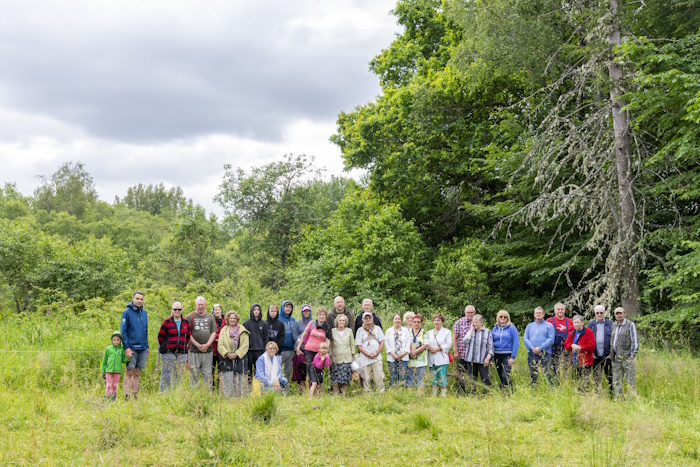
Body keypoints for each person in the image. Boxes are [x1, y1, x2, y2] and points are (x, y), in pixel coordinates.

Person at [296, 307, 332, 398]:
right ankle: (310, 391)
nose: (321, 316)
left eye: (323, 315)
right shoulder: (312, 323)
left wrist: (326, 351)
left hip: (320, 352)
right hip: (309, 349)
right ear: (317, 315)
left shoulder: (327, 327)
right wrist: (298, 347)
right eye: (319, 315)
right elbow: (304, 335)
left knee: (319, 369)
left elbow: (328, 341)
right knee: (310, 369)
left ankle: (318, 392)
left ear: (325, 316)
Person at [120, 291, 149, 401]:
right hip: (131, 347)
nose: (139, 301)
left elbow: (145, 331)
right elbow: (123, 331)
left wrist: (147, 346)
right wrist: (126, 347)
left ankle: (135, 395)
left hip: (142, 348)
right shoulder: (126, 312)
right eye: (137, 298)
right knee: (129, 371)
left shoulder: (144, 313)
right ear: (133, 298)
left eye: (141, 299)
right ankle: (127, 395)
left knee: (137, 372)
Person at [157, 302, 191, 392]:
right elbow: (160, 337)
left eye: (179, 309)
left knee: (179, 373)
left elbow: (188, 336)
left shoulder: (186, 322)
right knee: (166, 373)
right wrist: (166, 346)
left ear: (182, 310)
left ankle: (176, 393)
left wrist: (183, 344)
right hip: (168, 351)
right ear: (172, 310)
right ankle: (164, 393)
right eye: (175, 309)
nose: (177, 311)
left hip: (182, 352)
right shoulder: (167, 322)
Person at [186, 296, 217, 389]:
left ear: (205, 305)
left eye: (202, 305)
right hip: (194, 350)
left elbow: (214, 332)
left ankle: (207, 395)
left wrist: (207, 345)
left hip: (208, 351)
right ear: (195, 305)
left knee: (207, 374)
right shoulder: (189, 316)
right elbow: (188, 334)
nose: (200, 306)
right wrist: (197, 345)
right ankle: (193, 394)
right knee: (193, 374)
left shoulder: (210, 316)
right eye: (199, 305)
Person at [218, 311, 249, 398]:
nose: (232, 320)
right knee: (227, 378)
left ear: (237, 319)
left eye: (234, 318)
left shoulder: (242, 329)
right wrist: (227, 354)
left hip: (239, 358)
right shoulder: (224, 330)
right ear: (227, 319)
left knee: (239, 379)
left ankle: (239, 398)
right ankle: (227, 397)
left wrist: (236, 354)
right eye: (231, 318)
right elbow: (220, 344)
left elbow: (245, 344)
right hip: (226, 358)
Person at [610, 307, 639, 400]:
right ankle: (619, 399)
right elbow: (612, 340)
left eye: (620, 313)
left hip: (627, 357)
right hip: (616, 358)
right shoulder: (614, 325)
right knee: (616, 380)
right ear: (615, 315)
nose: (619, 315)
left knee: (630, 380)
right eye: (617, 314)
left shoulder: (630, 325)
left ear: (624, 314)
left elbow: (635, 340)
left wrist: (632, 355)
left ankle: (632, 400)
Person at [523, 306, 555, 386]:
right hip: (532, 353)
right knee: (533, 374)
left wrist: (540, 348)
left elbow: (551, 339)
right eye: (537, 313)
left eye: (540, 313)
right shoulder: (529, 326)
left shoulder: (549, 326)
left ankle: (551, 391)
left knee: (548, 374)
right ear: (534, 315)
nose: (538, 314)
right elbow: (526, 338)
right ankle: (533, 391)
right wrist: (533, 348)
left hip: (545, 353)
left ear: (543, 314)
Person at [355, 311, 385, 393]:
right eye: (366, 318)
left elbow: (382, 342)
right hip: (365, 358)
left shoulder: (377, 329)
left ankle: (380, 392)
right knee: (366, 377)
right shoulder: (360, 330)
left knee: (378, 376)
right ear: (362, 320)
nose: (368, 320)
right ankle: (367, 392)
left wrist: (377, 352)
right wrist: (367, 354)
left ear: (372, 319)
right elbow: (358, 345)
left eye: (369, 318)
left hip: (377, 357)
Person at [462, 314, 493, 390]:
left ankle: (487, 395)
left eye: (476, 322)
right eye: (473, 322)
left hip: (482, 360)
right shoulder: (471, 331)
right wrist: (472, 330)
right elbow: (465, 341)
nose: (474, 324)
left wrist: (488, 358)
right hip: (471, 360)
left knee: (485, 379)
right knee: (472, 379)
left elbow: (490, 347)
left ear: (481, 322)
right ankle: (473, 395)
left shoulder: (487, 332)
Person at [587, 305, 613, 393]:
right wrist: (591, 353)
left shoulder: (611, 324)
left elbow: (614, 339)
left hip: (607, 355)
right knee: (596, 377)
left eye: (601, 313)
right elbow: (587, 339)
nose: (599, 314)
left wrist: (611, 353)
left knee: (609, 375)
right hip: (595, 355)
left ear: (604, 313)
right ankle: (596, 394)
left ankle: (611, 393)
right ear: (595, 314)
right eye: (597, 313)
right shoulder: (591, 324)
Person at [563, 314, 595, 386]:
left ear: (582, 323)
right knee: (574, 383)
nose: (576, 324)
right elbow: (565, 344)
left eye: (578, 322)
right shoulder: (572, 333)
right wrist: (571, 346)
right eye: (574, 322)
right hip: (573, 362)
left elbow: (592, 345)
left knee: (585, 384)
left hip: (585, 362)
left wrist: (580, 348)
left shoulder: (588, 332)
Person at [492, 310, 519, 390]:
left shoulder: (511, 328)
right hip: (496, 354)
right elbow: (491, 342)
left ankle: (510, 391)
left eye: (505, 317)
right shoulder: (495, 328)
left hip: (507, 354)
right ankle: (503, 392)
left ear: (507, 318)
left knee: (505, 375)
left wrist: (513, 357)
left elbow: (516, 343)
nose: (503, 318)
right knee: (500, 375)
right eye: (501, 316)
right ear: (498, 318)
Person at [427, 313, 452, 397]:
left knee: (442, 377)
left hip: (442, 358)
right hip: (431, 358)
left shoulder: (447, 332)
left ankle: (443, 395)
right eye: (435, 320)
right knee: (433, 377)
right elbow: (426, 343)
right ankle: (434, 394)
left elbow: (448, 344)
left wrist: (437, 349)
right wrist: (429, 348)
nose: (436, 322)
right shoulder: (429, 332)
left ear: (442, 321)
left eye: (438, 320)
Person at [452, 304, 476, 395]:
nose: (470, 314)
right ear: (465, 313)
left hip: (474, 355)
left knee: (472, 375)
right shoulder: (459, 322)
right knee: (461, 374)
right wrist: (456, 352)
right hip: (462, 353)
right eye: (468, 312)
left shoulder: (478, 322)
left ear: (475, 313)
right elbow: (454, 338)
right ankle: (460, 392)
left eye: (471, 312)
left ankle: (472, 392)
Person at [330, 314, 355, 397]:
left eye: (343, 320)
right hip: (335, 358)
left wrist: (353, 358)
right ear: (337, 321)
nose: (341, 322)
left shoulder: (349, 331)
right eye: (340, 320)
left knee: (346, 378)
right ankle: (335, 395)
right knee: (335, 378)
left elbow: (352, 345)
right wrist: (329, 357)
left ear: (345, 322)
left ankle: (344, 396)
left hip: (347, 358)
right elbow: (330, 345)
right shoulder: (332, 331)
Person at [243, 303, 269, 384]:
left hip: (260, 351)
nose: (256, 311)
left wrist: (265, 351)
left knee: (259, 371)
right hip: (249, 351)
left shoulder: (264, 323)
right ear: (252, 310)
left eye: (258, 309)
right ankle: (249, 389)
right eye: (254, 309)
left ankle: (258, 389)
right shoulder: (246, 323)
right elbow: (244, 338)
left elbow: (266, 338)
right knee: (248, 371)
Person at [101, 331, 130, 402]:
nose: (116, 341)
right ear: (112, 340)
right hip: (109, 371)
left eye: (118, 340)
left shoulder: (122, 350)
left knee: (114, 385)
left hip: (117, 371)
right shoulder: (108, 349)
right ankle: (107, 400)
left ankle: (113, 399)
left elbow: (124, 359)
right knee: (109, 385)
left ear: (120, 341)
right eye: (114, 340)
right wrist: (103, 371)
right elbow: (104, 361)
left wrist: (129, 357)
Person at [385, 313, 410, 388]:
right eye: (396, 319)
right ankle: (393, 390)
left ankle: (401, 390)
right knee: (393, 375)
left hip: (403, 357)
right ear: (393, 320)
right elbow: (386, 343)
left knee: (402, 375)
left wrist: (403, 353)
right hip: (392, 357)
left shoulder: (405, 331)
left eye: (399, 319)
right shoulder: (389, 331)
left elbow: (408, 343)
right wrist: (393, 355)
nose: (397, 320)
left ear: (401, 320)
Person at [546, 303, 573, 374]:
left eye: (562, 309)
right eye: (558, 309)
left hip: (567, 350)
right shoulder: (549, 321)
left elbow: (574, 335)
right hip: (553, 350)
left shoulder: (569, 321)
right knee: (553, 370)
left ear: (564, 311)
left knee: (565, 370)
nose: (560, 311)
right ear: (555, 311)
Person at [292, 304, 313, 391]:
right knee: (301, 371)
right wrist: (298, 348)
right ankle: (301, 391)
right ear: (302, 312)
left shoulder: (314, 323)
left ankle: (311, 390)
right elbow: (295, 337)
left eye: (308, 311)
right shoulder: (297, 323)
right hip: (301, 350)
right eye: (304, 311)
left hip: (311, 349)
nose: (306, 313)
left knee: (311, 370)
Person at [407, 314, 428, 391]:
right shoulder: (407, 332)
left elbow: (426, 344)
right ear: (412, 322)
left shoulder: (424, 332)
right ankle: (409, 396)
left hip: (421, 360)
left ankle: (420, 396)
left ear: (421, 323)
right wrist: (410, 352)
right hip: (410, 359)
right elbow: (404, 343)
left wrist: (415, 352)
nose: (416, 323)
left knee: (420, 378)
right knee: (410, 378)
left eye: (418, 322)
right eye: (414, 321)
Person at [278, 300, 296, 382]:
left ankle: (286, 390)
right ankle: (277, 390)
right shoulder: (278, 318)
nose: (288, 309)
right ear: (282, 307)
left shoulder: (292, 319)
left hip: (290, 349)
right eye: (286, 307)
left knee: (288, 372)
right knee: (277, 371)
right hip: (280, 350)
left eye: (290, 307)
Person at [211, 304, 226, 391]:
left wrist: (220, 338)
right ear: (213, 311)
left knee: (221, 370)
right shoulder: (210, 320)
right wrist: (216, 337)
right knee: (211, 369)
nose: (217, 311)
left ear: (221, 310)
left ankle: (220, 388)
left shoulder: (226, 320)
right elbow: (209, 331)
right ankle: (212, 387)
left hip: (222, 350)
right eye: (215, 310)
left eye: (218, 309)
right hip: (212, 349)